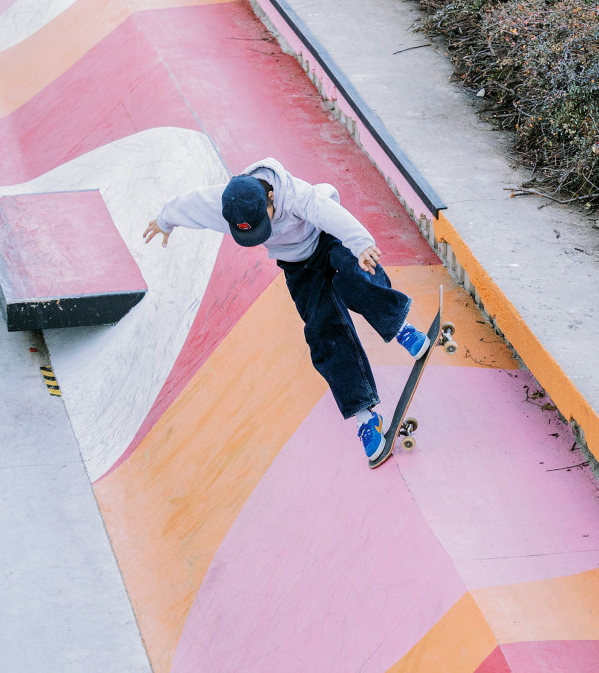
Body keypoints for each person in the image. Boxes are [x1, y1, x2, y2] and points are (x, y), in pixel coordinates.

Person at [144, 158, 432, 465]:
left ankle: (401, 328)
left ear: (270, 198)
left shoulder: (294, 195)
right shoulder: (226, 203)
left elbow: (331, 215)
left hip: (327, 237)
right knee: (322, 331)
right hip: (297, 264)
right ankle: (366, 417)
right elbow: (188, 205)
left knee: (354, 276)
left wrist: (361, 244)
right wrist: (164, 221)